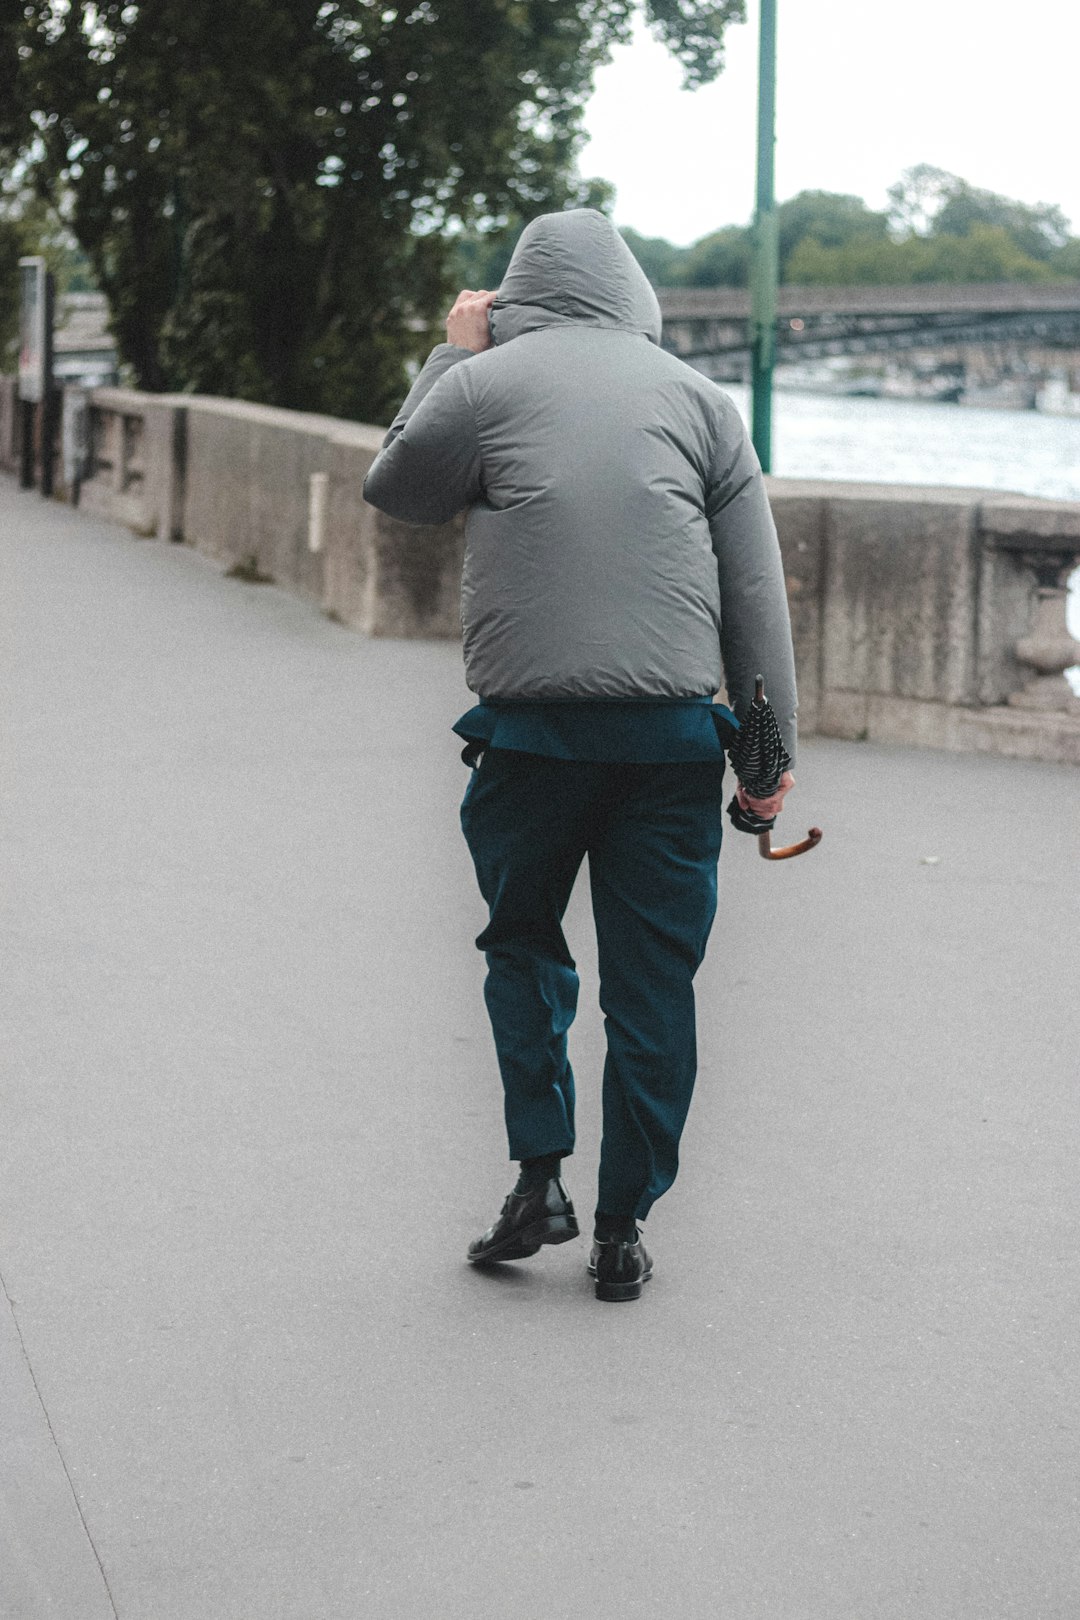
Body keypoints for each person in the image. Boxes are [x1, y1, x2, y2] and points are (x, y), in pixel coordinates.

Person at [363, 209, 797, 1303]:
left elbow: (400, 491)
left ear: (517, 294)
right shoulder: (702, 403)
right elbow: (753, 596)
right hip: (667, 751)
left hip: (531, 740)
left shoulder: (481, 384)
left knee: (523, 949)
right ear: (633, 292)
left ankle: (538, 1179)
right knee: (655, 990)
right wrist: (765, 755)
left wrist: (452, 355)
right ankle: (620, 1233)